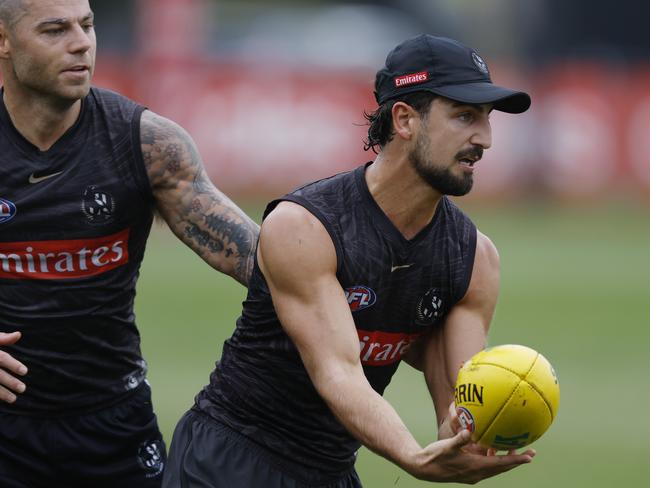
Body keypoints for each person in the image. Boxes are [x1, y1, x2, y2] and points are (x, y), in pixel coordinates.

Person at [163, 34, 534, 487]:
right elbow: (339, 372)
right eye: (464, 116)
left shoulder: (474, 258)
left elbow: (458, 405)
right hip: (231, 460)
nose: (486, 139)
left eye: (487, 120)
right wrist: (413, 456)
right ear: (404, 120)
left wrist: (471, 436)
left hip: (331, 471)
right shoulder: (305, 226)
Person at [0, 1, 259, 487]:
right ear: (3, 41)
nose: (81, 42)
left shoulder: (146, 145)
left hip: (113, 428)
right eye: (55, 30)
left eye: (88, 24)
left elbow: (269, 265)